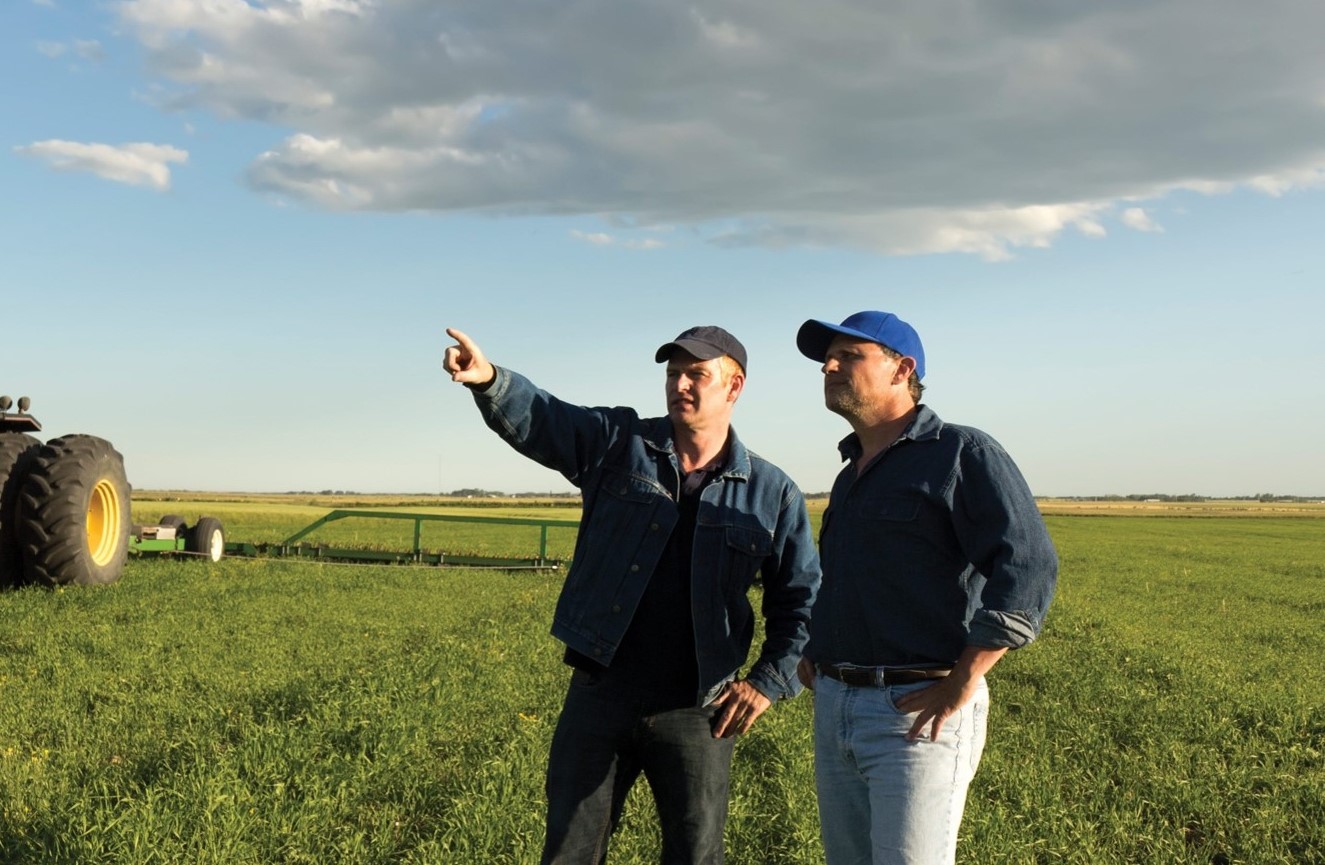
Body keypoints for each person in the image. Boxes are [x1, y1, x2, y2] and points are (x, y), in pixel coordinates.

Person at [443, 325, 820, 865]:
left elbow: (802, 600)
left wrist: (767, 682)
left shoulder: (771, 492)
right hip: (602, 691)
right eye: (673, 373)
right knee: (570, 850)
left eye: (697, 374)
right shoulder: (620, 444)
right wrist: (490, 381)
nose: (680, 385)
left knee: (695, 854)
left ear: (734, 387)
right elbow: (549, 419)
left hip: (698, 707)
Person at [793, 310, 1058, 865]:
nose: (829, 365)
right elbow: (848, 575)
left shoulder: (961, 454)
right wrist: (817, 646)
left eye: (849, 355)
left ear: (901, 369)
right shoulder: (851, 473)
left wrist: (966, 676)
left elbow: (1028, 566)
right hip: (837, 703)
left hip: (914, 713)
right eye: (827, 358)